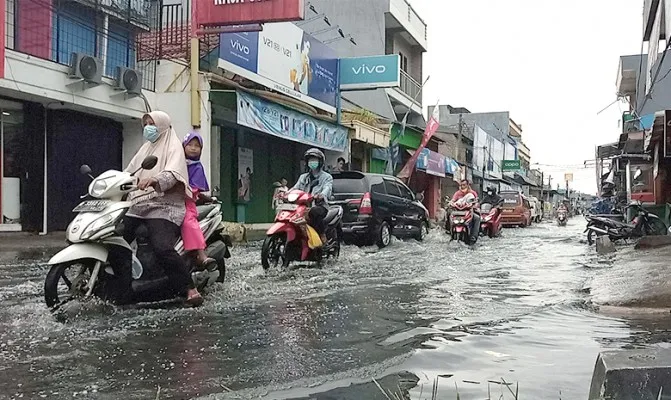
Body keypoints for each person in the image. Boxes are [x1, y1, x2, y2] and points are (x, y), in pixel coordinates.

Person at [123, 111, 203, 307]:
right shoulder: (145, 149)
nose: (149, 127)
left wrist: (155, 179)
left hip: (165, 206)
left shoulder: (174, 146)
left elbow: (173, 173)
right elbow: (129, 170)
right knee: (117, 238)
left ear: (162, 125)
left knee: (162, 247)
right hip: (140, 204)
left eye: (153, 123)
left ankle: (190, 289)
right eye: (147, 123)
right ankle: (121, 283)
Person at [181, 131, 217, 271]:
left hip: (186, 202)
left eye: (197, 145)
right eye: (190, 144)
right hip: (168, 200)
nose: (193, 148)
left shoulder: (197, 167)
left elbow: (194, 190)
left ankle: (202, 255)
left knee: (188, 222)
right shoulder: (176, 162)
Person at [291, 148, 333, 243]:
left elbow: (327, 188)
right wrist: (285, 193)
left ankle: (321, 234)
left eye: (314, 160)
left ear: (320, 162)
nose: (312, 162)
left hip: (319, 206)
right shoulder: (303, 177)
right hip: (303, 206)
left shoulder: (327, 177)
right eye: (310, 160)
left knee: (314, 212)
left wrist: (321, 195)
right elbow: (295, 188)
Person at [450, 179, 480, 243]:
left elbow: (476, 202)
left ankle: (474, 236)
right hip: (458, 213)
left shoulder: (472, 193)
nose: (462, 186)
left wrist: (475, 205)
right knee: (449, 215)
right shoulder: (457, 193)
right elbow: (453, 200)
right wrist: (451, 203)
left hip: (469, 211)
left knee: (477, 218)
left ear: (468, 185)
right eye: (461, 185)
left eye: (464, 185)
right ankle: (449, 232)